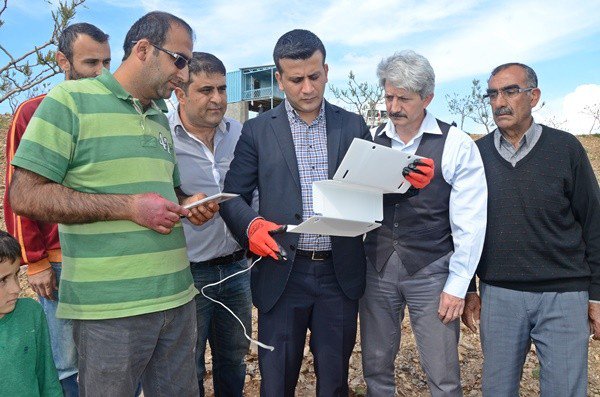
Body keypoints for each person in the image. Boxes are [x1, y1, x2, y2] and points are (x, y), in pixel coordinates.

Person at [8, 11, 219, 396]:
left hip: (177, 298)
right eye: (180, 60)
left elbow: (169, 194)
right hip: (109, 310)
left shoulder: (158, 116)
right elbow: (24, 194)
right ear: (143, 50)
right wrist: (128, 207)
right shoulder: (69, 100)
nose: (185, 75)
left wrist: (190, 204)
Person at [461, 62, 600, 396]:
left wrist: (597, 294)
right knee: (497, 390)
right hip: (500, 296)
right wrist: (468, 288)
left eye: (510, 91)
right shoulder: (474, 156)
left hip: (564, 297)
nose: (499, 102)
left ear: (534, 96)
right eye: (492, 94)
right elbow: (462, 227)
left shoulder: (566, 149)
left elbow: (594, 223)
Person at [360, 50, 487, 397]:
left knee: (443, 374)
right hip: (377, 268)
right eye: (388, 96)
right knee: (375, 367)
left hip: (432, 272)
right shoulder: (370, 140)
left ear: (427, 98)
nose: (393, 106)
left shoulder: (455, 145)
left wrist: (458, 285)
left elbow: (471, 223)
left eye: (404, 98)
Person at [3, 22, 110, 396]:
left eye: (106, 62)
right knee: (65, 361)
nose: (100, 72)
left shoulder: (111, 113)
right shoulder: (33, 112)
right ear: (62, 60)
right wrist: (35, 261)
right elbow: (17, 196)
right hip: (58, 260)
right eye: (90, 62)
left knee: (110, 352)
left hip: (106, 255)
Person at [169, 52, 251, 397]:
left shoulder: (242, 134)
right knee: (187, 364)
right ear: (180, 93)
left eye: (221, 88)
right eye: (205, 90)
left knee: (234, 358)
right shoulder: (161, 138)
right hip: (187, 275)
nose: (217, 99)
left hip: (237, 270)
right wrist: (180, 204)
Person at [0, 230, 63, 397]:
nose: (16, 289)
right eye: (2, 280)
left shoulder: (31, 313)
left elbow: (48, 379)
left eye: (16, 276)